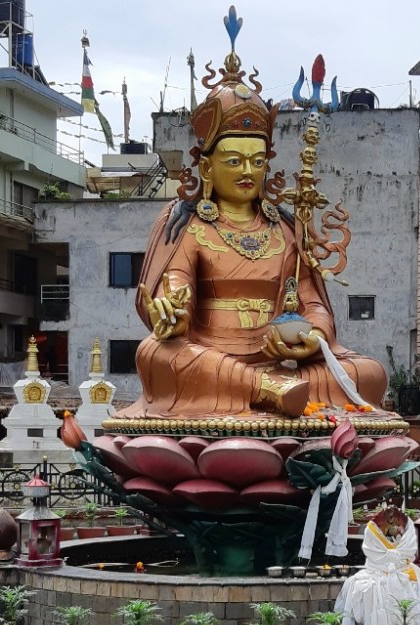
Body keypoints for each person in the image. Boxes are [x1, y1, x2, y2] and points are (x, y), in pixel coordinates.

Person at [115, 37, 387, 421]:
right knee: (157, 353)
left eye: (256, 161)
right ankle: (265, 392)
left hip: (279, 359)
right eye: (234, 160)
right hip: (208, 356)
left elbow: (312, 304)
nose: (247, 171)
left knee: (369, 374)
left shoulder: (287, 228)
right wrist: (172, 312)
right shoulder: (187, 224)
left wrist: (314, 337)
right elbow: (174, 286)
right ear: (207, 168)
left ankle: (270, 391)